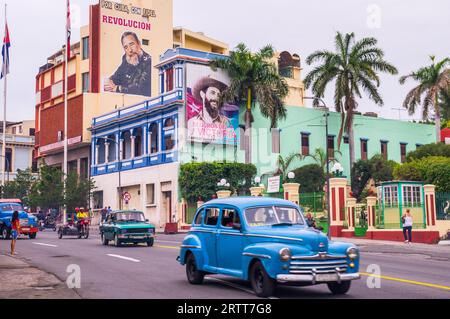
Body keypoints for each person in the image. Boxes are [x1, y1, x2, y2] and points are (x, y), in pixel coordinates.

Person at [104, 31, 152, 97]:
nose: (130, 50)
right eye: (126, 47)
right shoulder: (126, 60)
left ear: (139, 44)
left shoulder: (149, 61)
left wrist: (117, 88)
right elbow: (116, 77)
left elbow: (140, 88)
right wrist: (108, 82)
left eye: (132, 44)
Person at [187, 76, 232, 142]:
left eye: (219, 95)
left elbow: (230, 143)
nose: (216, 98)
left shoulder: (227, 123)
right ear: (202, 94)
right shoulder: (192, 122)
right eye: (212, 93)